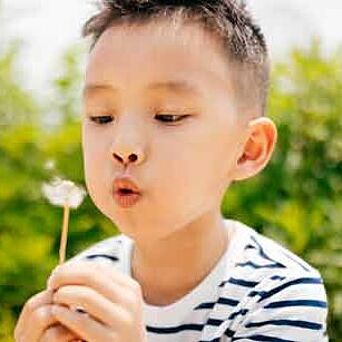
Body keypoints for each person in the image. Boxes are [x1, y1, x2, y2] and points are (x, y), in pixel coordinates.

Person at [14, 0, 329, 341]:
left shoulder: (278, 291)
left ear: (247, 149)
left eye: (169, 116)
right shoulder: (83, 284)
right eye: (101, 117)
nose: (123, 146)